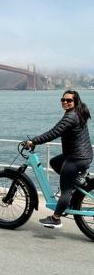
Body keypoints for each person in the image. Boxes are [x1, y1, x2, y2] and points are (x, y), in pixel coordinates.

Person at [25, 90, 93, 228]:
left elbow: (54, 132)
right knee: (54, 162)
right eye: (63, 100)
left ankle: (56, 218)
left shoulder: (71, 117)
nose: (65, 102)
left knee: (66, 189)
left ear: (75, 102)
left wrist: (34, 141)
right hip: (82, 155)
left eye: (69, 100)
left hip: (76, 158)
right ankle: (76, 182)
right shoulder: (78, 113)